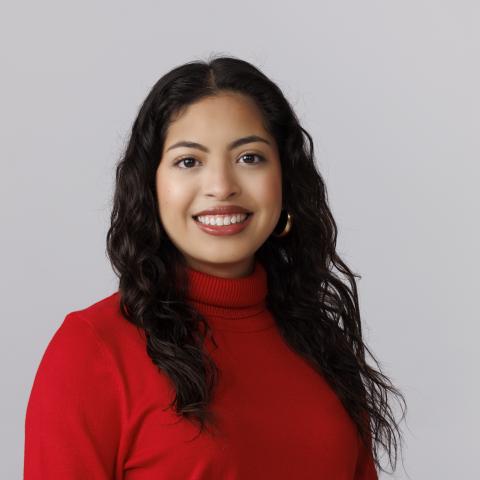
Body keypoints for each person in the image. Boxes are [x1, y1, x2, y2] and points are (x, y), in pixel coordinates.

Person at [24, 54, 406, 479]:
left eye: (249, 158)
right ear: (151, 186)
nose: (222, 186)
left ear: (285, 177)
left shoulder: (324, 348)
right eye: (189, 161)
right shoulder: (93, 350)